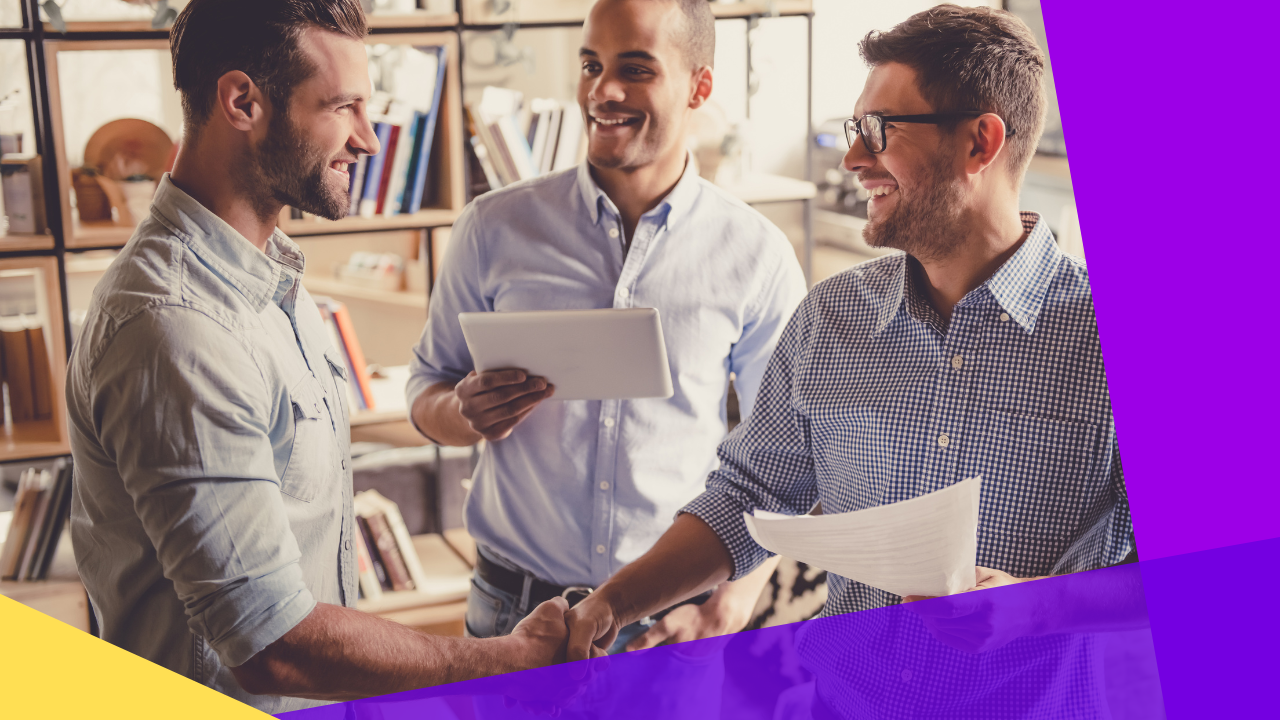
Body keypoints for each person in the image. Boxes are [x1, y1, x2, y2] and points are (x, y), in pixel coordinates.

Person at [564, 3, 1134, 672]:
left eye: (880, 130)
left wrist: (1038, 605)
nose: (856, 158)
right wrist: (609, 605)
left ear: (980, 142)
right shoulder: (828, 320)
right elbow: (745, 499)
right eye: (854, 128)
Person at [66, 1, 569, 713]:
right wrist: (497, 660)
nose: (368, 139)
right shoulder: (175, 329)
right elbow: (271, 645)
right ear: (243, 101)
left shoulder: (274, 279)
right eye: (344, 107)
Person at [408, 0, 806, 651]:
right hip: (512, 611)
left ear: (699, 86)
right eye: (591, 65)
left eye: (636, 69)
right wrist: (460, 411)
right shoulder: (493, 228)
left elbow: (788, 462)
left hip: (674, 620)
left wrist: (728, 603)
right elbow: (426, 389)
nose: (602, 91)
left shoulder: (756, 256)